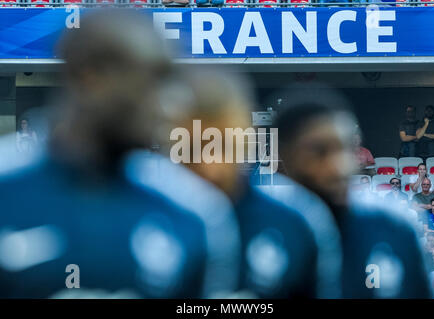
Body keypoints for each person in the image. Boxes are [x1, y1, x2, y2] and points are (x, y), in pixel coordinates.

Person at [0, 10, 214, 299]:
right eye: (152, 82)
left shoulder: (193, 214)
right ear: (90, 77)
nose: (171, 106)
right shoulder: (8, 187)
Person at [157, 68, 321, 298]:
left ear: (246, 139)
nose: (210, 167)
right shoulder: (144, 216)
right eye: (193, 150)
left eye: (223, 147)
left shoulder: (295, 222)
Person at [274, 98, 431, 298]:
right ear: (286, 156)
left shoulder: (394, 229)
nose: (338, 166)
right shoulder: (262, 230)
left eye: (344, 149)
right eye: (319, 152)